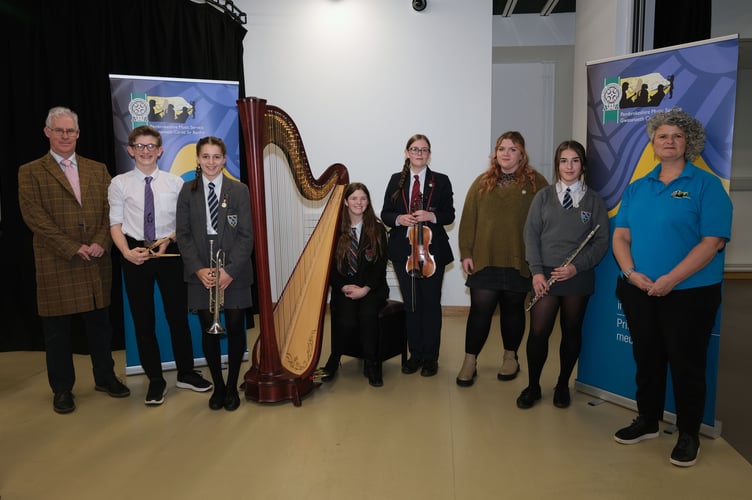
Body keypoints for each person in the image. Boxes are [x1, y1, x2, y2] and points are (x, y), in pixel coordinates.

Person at [612, 108, 732, 467]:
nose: (669, 141)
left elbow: (712, 242)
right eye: (663, 135)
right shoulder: (637, 188)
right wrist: (631, 273)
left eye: (677, 136)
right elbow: (620, 236)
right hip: (639, 290)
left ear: (688, 143)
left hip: (690, 294)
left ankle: (688, 433)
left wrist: (670, 280)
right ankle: (648, 420)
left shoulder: (707, 186)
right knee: (647, 360)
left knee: (687, 365)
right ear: (653, 142)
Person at [18, 106, 130, 414]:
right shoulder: (30, 172)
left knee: (100, 328)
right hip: (58, 262)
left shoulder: (98, 169)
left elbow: (112, 210)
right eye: (59, 130)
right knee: (57, 333)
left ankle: (105, 378)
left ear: (78, 134)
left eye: (70, 131)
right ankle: (62, 389)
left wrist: (100, 241)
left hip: (96, 261)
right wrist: (72, 247)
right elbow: (34, 218)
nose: (65, 136)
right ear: (47, 133)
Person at [109, 125, 212, 406]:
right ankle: (155, 379)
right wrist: (127, 253)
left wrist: (168, 240)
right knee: (143, 321)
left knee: (178, 317)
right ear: (130, 150)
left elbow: (185, 223)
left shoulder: (174, 183)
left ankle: (186, 372)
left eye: (151, 146)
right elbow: (115, 224)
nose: (146, 151)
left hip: (170, 252)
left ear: (160, 150)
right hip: (134, 253)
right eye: (140, 146)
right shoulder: (119, 183)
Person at [517, 140, 609, 408]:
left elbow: (601, 242)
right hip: (544, 275)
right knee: (538, 332)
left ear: (582, 165)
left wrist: (576, 267)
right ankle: (533, 386)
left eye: (575, 160)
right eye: (564, 161)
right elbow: (530, 235)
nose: (569, 166)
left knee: (571, 332)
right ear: (557, 165)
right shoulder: (543, 196)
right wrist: (536, 273)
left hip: (577, 276)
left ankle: (562, 385)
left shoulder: (594, 200)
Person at [456, 131, 548, 387]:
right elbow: (468, 220)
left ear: (522, 153)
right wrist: (466, 253)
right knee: (479, 312)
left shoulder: (536, 183)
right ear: (495, 153)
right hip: (485, 258)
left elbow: (546, 221)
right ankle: (469, 360)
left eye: (512, 149)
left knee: (513, 310)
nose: (506, 154)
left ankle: (510, 356)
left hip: (520, 260)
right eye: (501, 149)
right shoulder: (482, 182)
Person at [176, 136, 254, 411]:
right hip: (201, 271)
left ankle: (232, 386)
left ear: (224, 159)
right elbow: (183, 235)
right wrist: (198, 268)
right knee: (209, 331)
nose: (211, 162)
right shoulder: (187, 190)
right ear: (197, 159)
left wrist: (229, 271)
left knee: (234, 329)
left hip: (235, 270)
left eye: (216, 156)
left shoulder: (239, 190)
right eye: (205, 156)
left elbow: (247, 235)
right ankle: (218, 387)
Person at [381, 134, 455, 377]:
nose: (419, 154)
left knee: (431, 305)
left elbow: (449, 215)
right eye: (415, 149)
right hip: (405, 253)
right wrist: (399, 219)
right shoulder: (396, 180)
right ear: (407, 153)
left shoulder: (441, 181)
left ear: (429, 154)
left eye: (424, 150)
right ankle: (416, 355)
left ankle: (431, 357)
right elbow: (385, 213)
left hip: (432, 253)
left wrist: (431, 216)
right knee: (412, 305)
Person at [319, 182, 389, 387]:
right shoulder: (334, 229)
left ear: (368, 202)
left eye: (363, 198)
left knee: (367, 314)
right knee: (347, 319)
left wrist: (365, 289)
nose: (359, 202)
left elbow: (380, 267)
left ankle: (371, 363)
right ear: (346, 202)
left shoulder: (377, 229)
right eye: (354, 198)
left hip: (372, 288)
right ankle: (334, 359)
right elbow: (330, 267)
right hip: (345, 287)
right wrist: (342, 287)